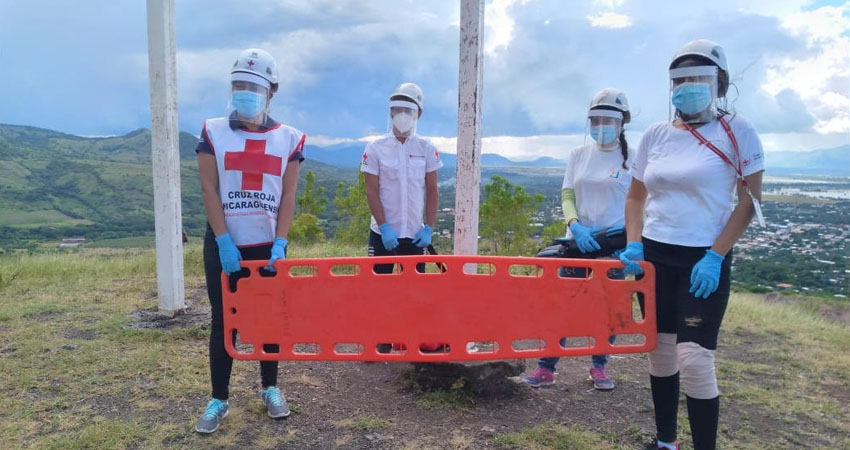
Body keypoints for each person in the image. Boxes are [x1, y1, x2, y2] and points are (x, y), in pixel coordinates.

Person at [618, 40, 765, 450]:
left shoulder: (739, 132)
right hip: (656, 254)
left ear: (719, 83)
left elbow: (750, 202)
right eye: (679, 80)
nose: (688, 87)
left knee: (696, 359)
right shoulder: (655, 135)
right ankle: (666, 442)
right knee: (660, 352)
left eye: (699, 79)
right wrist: (633, 246)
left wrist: (716, 255)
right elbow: (635, 197)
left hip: (704, 257)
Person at [194, 48, 306, 433]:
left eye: (253, 87)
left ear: (270, 92)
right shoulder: (213, 131)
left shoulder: (289, 138)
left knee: (269, 319)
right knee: (222, 320)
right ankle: (218, 398)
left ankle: (270, 388)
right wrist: (223, 240)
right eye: (238, 84)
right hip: (225, 243)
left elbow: (287, 195)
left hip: (267, 245)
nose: (245, 92)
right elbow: (209, 188)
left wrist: (281, 242)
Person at [520, 88, 632, 391]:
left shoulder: (633, 159)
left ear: (623, 122)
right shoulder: (578, 155)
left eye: (608, 119)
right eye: (595, 119)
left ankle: (599, 366)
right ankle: (546, 367)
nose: (601, 125)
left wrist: (628, 238)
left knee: (606, 310)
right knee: (563, 307)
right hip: (578, 242)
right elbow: (568, 193)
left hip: (613, 245)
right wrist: (576, 226)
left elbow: (640, 202)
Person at [360, 82, 443, 353]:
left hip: (414, 234)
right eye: (396, 109)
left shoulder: (427, 148)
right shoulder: (375, 148)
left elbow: (432, 190)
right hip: (384, 233)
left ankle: (411, 341)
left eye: (408, 109)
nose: (402, 114)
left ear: (418, 113)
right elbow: (371, 190)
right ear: (390, 111)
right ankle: (378, 343)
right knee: (379, 291)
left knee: (414, 292)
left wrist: (429, 227)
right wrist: (384, 226)